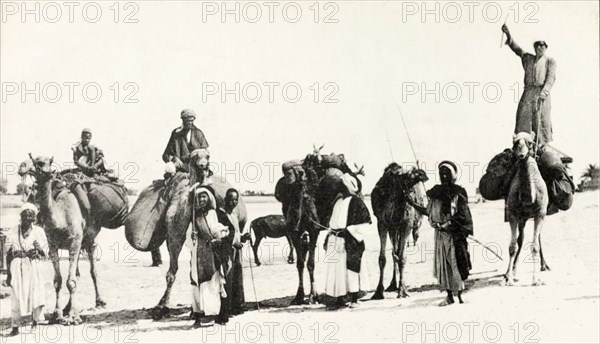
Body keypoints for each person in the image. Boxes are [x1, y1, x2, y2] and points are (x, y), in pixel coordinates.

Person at [426, 161, 473, 306]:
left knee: (456, 264)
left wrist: (448, 224)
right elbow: (429, 211)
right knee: (444, 266)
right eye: (442, 174)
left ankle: (459, 294)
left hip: (454, 235)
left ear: (453, 175)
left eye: (447, 173)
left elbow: (463, 214)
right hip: (440, 235)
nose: (444, 176)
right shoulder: (435, 193)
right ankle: (449, 296)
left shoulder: (459, 193)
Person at [502, 24, 557, 147]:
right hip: (528, 92)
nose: (540, 47)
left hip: (542, 93)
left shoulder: (550, 61)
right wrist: (508, 34)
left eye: (543, 45)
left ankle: (541, 146)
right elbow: (517, 49)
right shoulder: (528, 58)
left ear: (546, 47)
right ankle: (521, 144)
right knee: (523, 119)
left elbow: (550, 78)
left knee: (540, 121)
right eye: (538, 45)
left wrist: (545, 91)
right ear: (535, 47)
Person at [323, 174, 372, 310]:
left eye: (341, 185)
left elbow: (365, 223)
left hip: (349, 241)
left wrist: (348, 232)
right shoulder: (338, 201)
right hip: (335, 240)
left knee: (351, 269)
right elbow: (333, 223)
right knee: (337, 271)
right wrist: (329, 235)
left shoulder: (356, 201)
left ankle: (354, 298)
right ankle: (340, 298)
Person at [187, 186, 229, 326]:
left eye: (204, 197)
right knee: (197, 279)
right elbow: (189, 235)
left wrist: (220, 235)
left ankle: (212, 314)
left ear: (209, 198)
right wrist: (192, 236)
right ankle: (199, 313)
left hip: (210, 250)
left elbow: (215, 228)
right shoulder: (194, 215)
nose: (201, 199)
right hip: (198, 250)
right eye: (199, 197)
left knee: (212, 279)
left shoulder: (212, 213)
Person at [5, 203, 48, 336]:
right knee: (16, 296)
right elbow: (8, 254)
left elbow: (45, 254)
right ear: (21, 217)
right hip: (17, 268)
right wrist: (8, 275)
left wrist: (39, 249)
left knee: (36, 294)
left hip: (34, 267)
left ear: (34, 219)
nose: (27, 219)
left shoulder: (39, 232)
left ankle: (35, 321)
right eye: (25, 216)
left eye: (30, 217)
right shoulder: (12, 232)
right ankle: (15, 326)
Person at [217, 188, 246, 316]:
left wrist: (244, 237)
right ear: (225, 200)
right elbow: (220, 234)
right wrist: (233, 243)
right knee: (228, 278)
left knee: (237, 277)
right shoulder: (221, 214)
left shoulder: (234, 215)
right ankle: (227, 308)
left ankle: (237, 306)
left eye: (235, 200)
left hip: (236, 251)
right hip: (227, 250)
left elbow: (236, 233)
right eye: (231, 199)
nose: (233, 202)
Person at [70, 128, 107, 222]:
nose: (86, 140)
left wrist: (94, 166)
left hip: (91, 170)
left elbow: (99, 160)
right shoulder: (76, 147)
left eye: (88, 138)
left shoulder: (92, 148)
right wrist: (85, 167)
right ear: (81, 137)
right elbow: (76, 161)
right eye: (85, 137)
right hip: (81, 169)